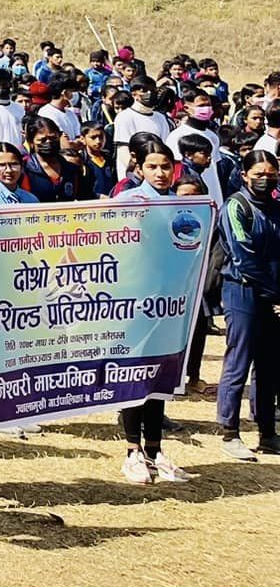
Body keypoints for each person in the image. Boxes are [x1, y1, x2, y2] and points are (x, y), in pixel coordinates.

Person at [113, 142, 193, 485]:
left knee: (159, 379)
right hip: (134, 303)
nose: (160, 173)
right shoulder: (128, 202)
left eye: (166, 167)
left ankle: (155, 449)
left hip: (168, 304)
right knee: (136, 378)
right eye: (153, 167)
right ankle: (133, 452)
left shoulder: (181, 206)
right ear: (139, 167)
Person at [217, 149, 280, 459]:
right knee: (239, 361)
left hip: (272, 293)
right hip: (242, 290)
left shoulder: (276, 208)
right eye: (258, 175)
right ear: (244, 176)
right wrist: (273, 290)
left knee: (270, 365)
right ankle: (230, 432)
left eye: (271, 174)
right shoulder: (236, 207)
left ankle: (267, 432)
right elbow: (243, 255)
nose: (265, 180)